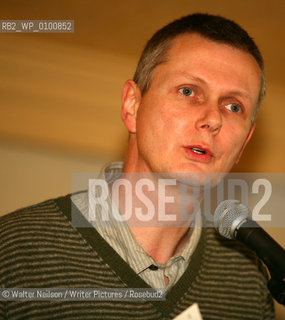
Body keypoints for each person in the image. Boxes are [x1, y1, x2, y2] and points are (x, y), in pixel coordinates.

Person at [0, 13, 275, 320]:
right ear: (132, 105)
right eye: (188, 91)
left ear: (245, 142)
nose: (213, 119)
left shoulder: (247, 283)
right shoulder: (15, 253)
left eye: (233, 106)